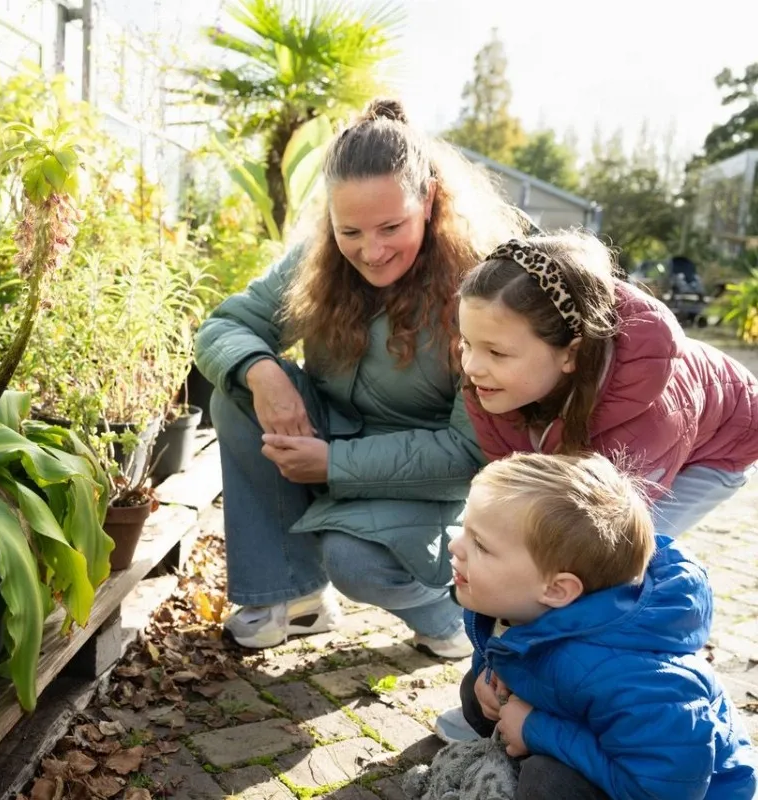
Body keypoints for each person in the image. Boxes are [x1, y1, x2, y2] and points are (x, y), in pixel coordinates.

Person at [194, 97, 527, 656]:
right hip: (331, 440)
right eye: (350, 231)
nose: (370, 252)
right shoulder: (318, 259)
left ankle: (446, 616)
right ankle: (294, 598)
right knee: (238, 391)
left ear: (430, 200)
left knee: (354, 561)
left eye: (391, 226)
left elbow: (469, 450)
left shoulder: (483, 282)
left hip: (427, 483)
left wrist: (332, 464)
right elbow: (225, 325)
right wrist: (261, 373)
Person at [436, 230, 758, 741]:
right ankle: (516, 680)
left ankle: (625, 700)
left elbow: (599, 560)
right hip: (592, 431)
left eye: (495, 351)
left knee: (617, 567)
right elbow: (514, 512)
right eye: (467, 344)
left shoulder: (649, 417)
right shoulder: (491, 384)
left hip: (716, 446)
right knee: (533, 551)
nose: (473, 367)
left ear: (571, 354)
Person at [448, 451, 756, 800]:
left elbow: (665, 790)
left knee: (549, 782)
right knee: (476, 689)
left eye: (481, 546)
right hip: (590, 730)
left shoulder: (636, 679)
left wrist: (536, 730)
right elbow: (506, 649)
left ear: (556, 589)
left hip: (673, 788)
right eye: (465, 529)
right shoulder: (516, 606)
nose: (455, 545)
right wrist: (490, 672)